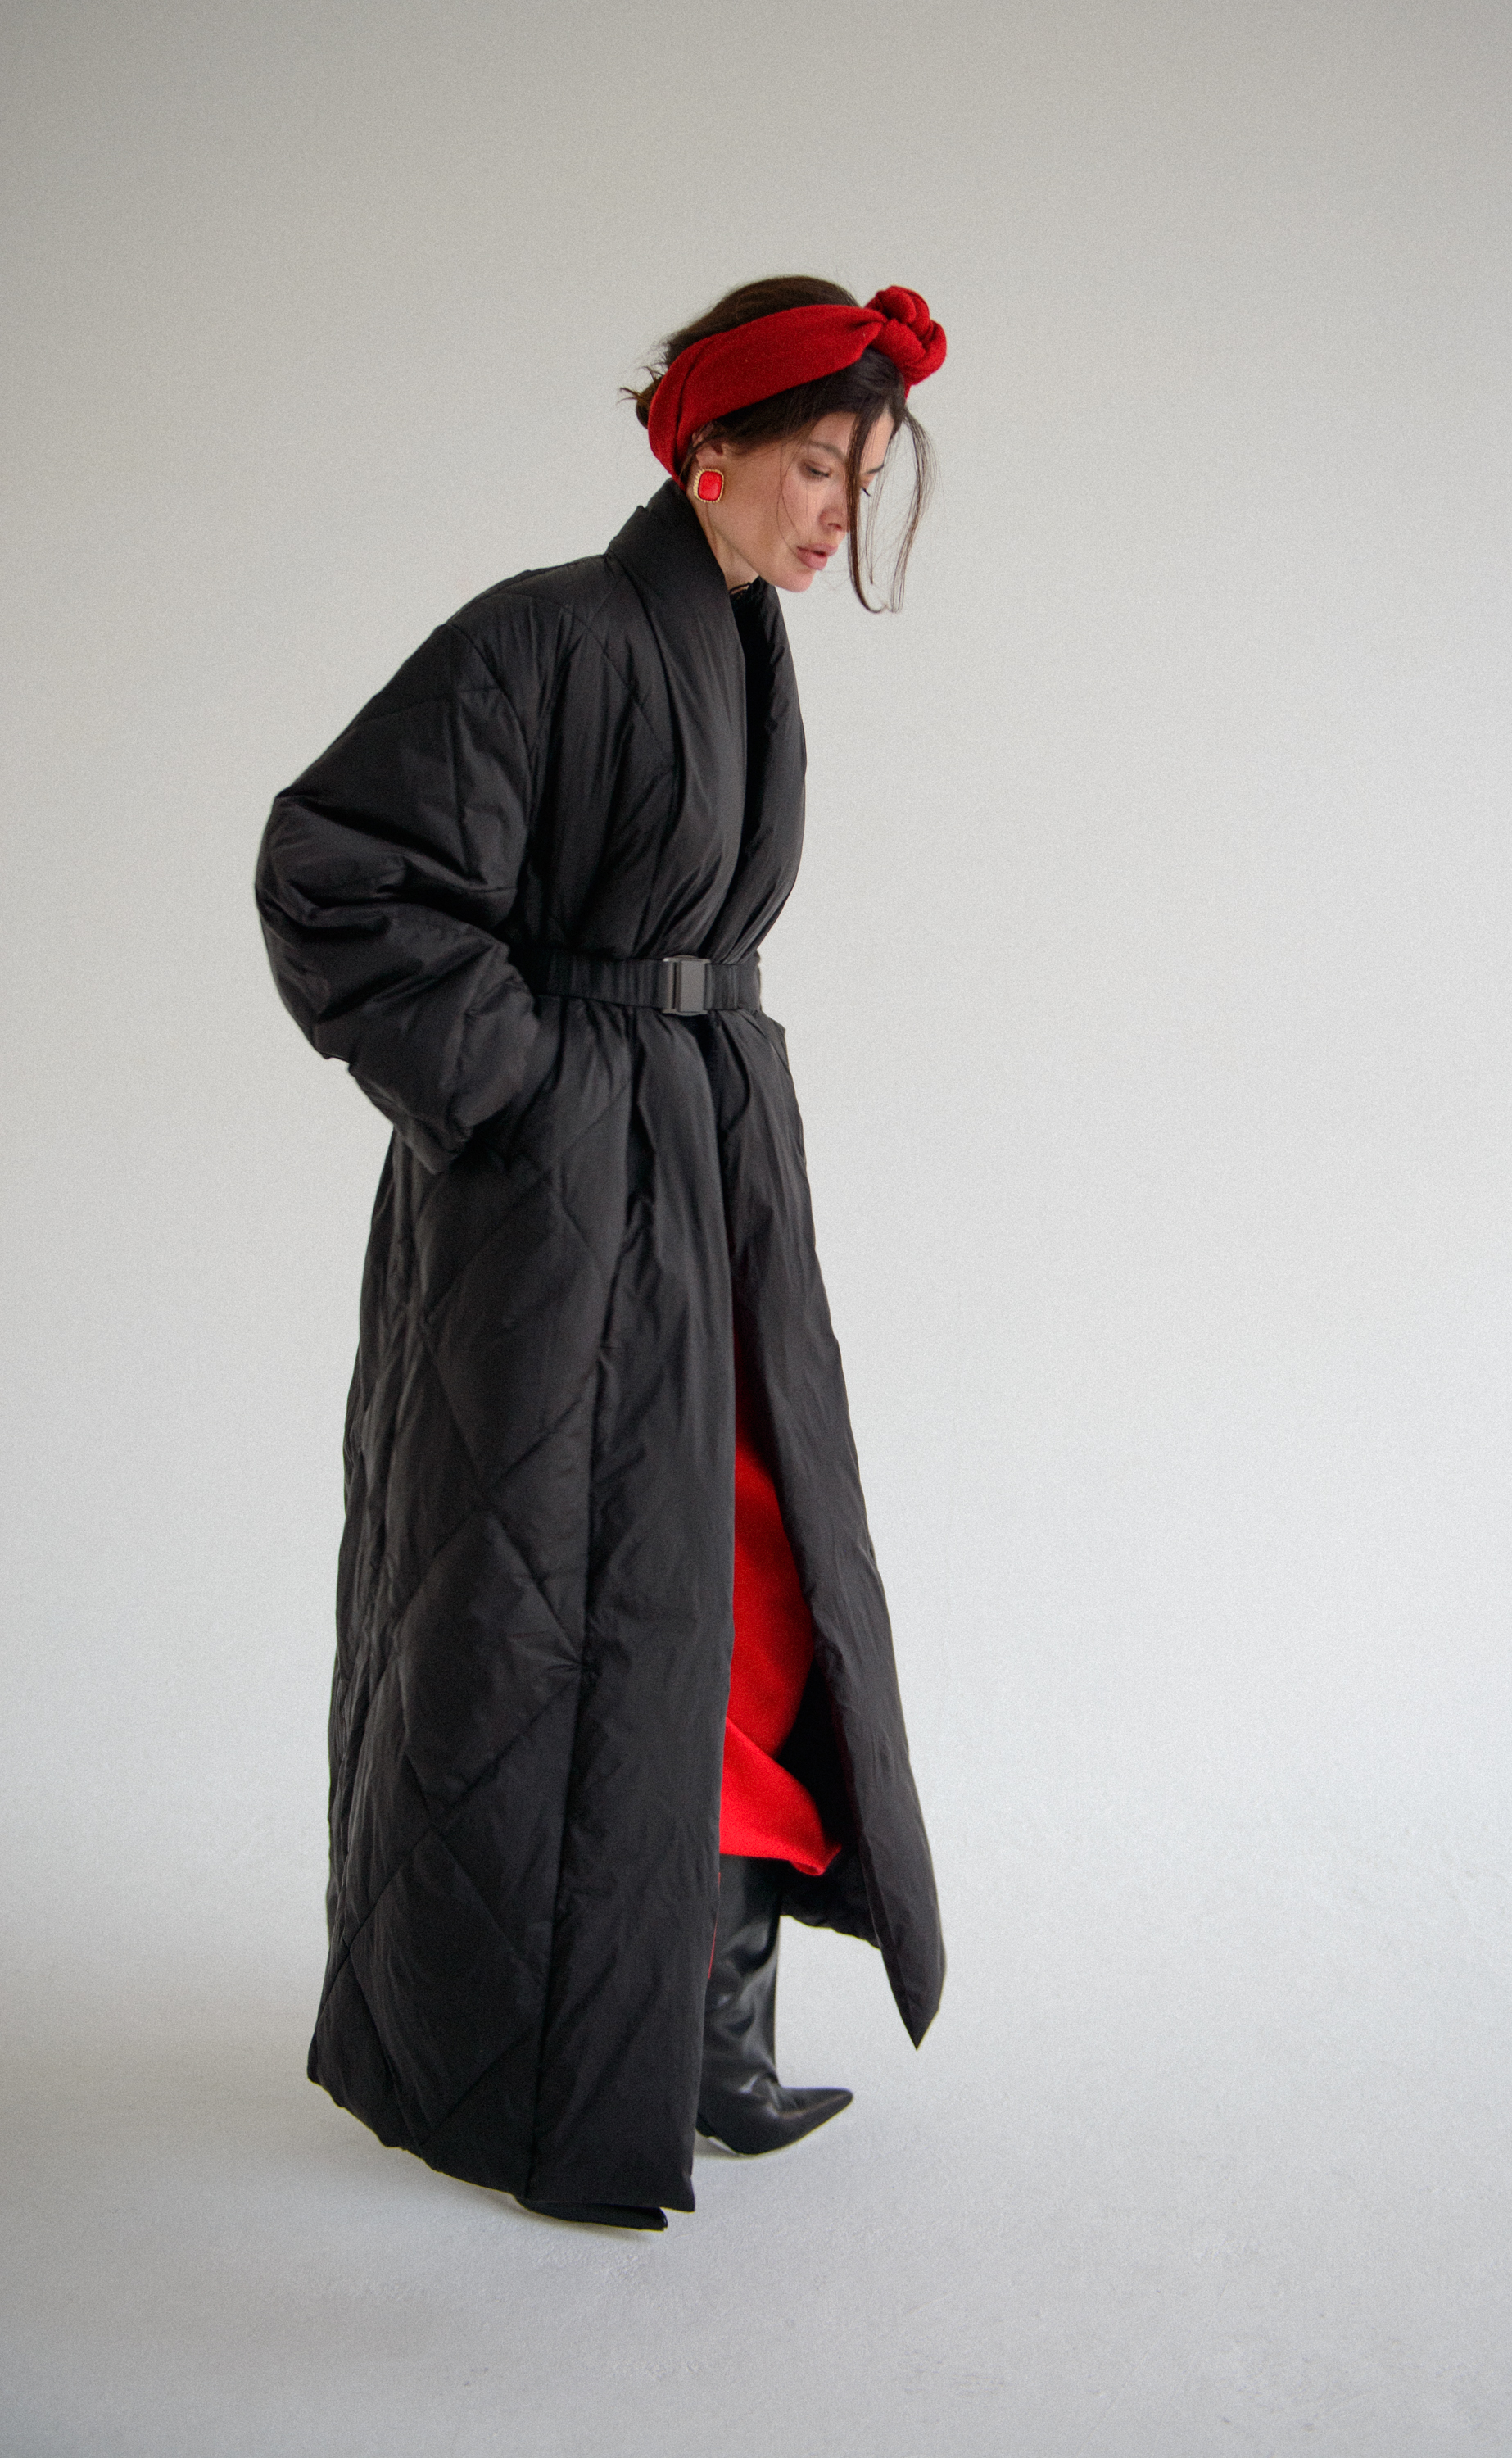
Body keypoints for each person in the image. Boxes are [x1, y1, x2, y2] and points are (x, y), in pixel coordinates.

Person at [256, 275, 948, 2233]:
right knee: (547, 1600)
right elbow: (335, 868)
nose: (835, 512)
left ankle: (700, 2026)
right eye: (813, 467)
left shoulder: (736, 643)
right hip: (556, 1204)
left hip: (705, 1172)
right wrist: (530, 1090)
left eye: (861, 476)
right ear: (706, 450)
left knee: (742, 1577)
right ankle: (550, 2055)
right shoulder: (545, 634)